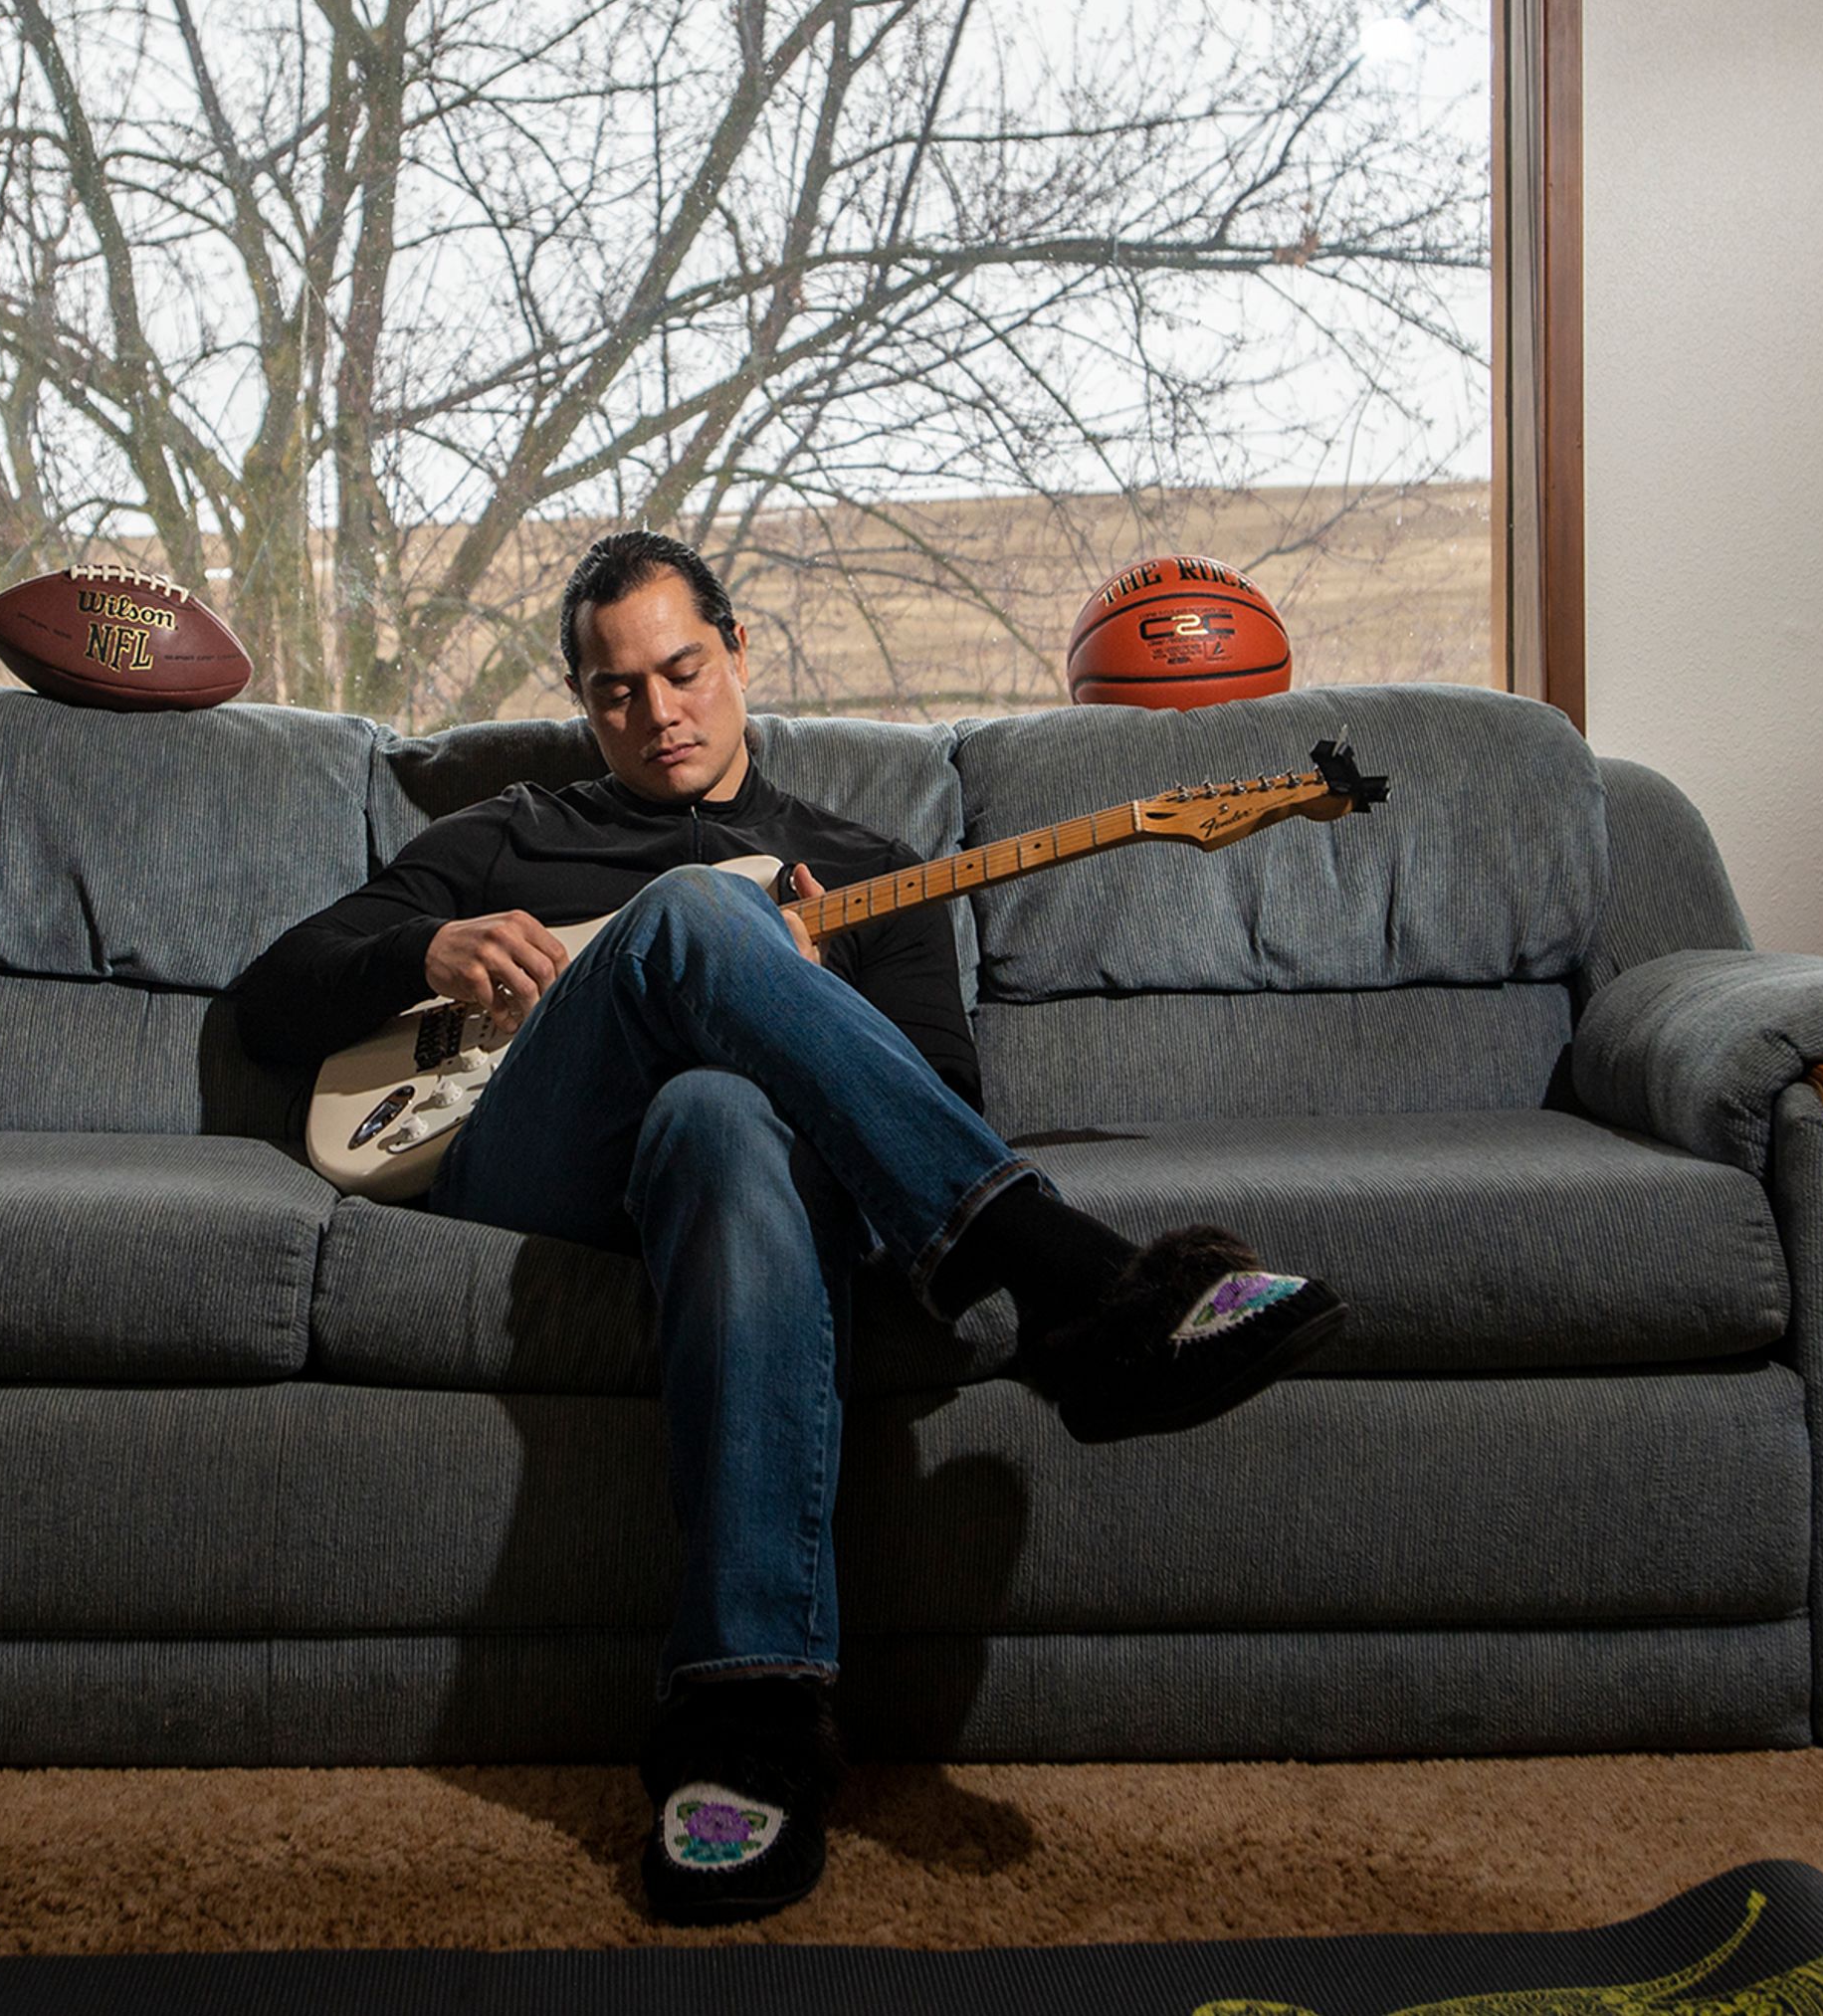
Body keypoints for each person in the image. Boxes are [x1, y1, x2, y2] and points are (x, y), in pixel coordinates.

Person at [230, 530, 1345, 1925]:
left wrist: (802, 997)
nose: (658, 714)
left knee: (718, 1109)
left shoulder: (862, 866)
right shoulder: (509, 834)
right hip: (530, 1163)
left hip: (733, 1188)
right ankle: (1075, 1285)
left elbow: (932, 1105)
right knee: (698, 910)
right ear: (583, 701)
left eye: (683, 671)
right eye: (615, 690)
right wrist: (424, 949)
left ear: (741, 653)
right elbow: (271, 1003)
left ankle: (745, 1723)